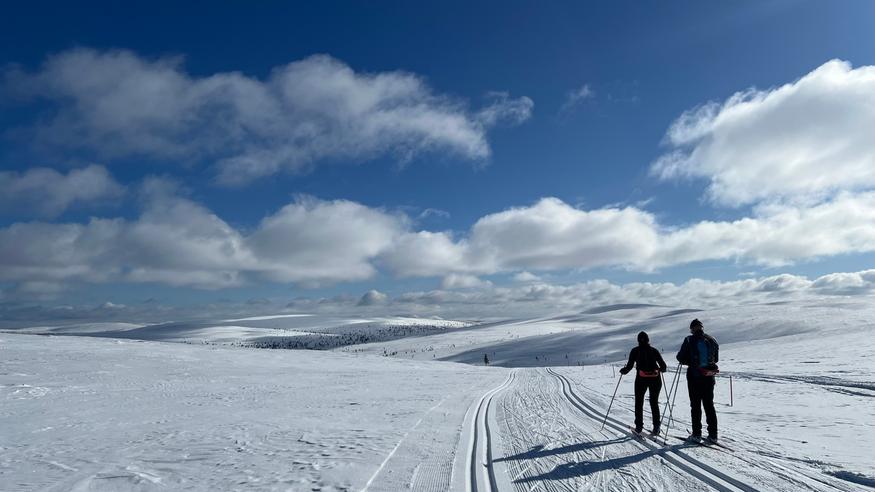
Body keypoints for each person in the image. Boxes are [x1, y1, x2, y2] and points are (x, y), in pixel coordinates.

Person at [676, 318, 720, 442]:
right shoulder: (712, 340)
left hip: (694, 377)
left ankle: (696, 434)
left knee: (695, 405)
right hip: (709, 376)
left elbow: (681, 357)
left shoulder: (689, 340)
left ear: (692, 329)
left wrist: (690, 361)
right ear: (702, 327)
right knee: (709, 405)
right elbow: (716, 359)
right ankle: (713, 435)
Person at [619, 331, 668, 434]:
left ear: (638, 340)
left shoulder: (635, 351)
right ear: (648, 340)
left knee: (639, 402)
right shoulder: (654, 350)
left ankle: (639, 427)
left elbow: (629, 366)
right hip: (656, 379)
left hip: (641, 379)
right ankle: (656, 427)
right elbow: (664, 367)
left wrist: (624, 371)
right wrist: (659, 369)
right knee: (654, 402)